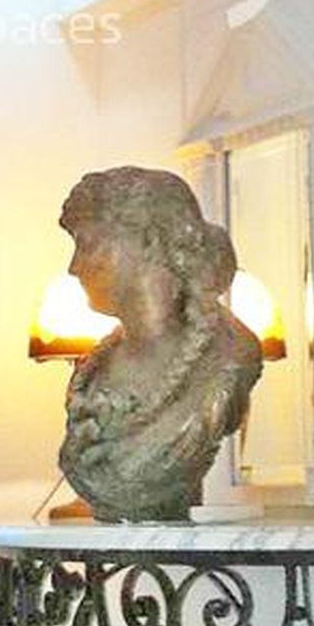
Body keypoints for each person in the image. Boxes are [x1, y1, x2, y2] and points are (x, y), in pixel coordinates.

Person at [56, 167, 262, 522]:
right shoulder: (95, 370)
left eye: (87, 245)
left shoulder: (227, 356)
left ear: (149, 242)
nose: (74, 267)